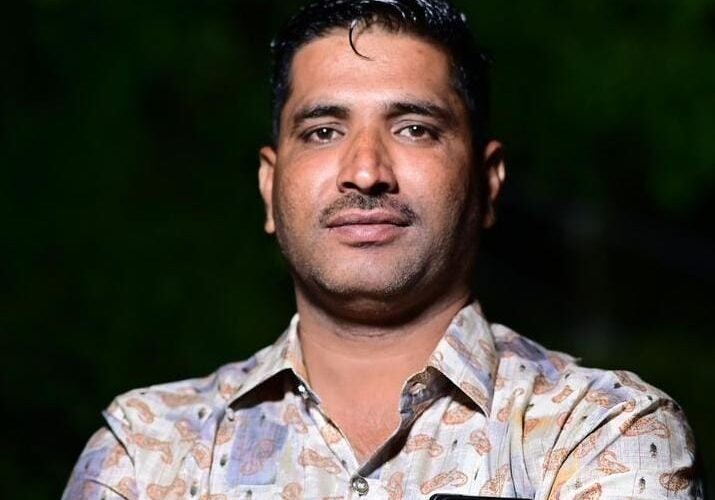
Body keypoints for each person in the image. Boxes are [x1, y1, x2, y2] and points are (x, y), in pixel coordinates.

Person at [63, 0, 702, 498]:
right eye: (323, 131)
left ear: (487, 183)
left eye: (414, 128)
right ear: (269, 187)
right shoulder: (147, 450)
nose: (366, 171)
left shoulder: (599, 431)